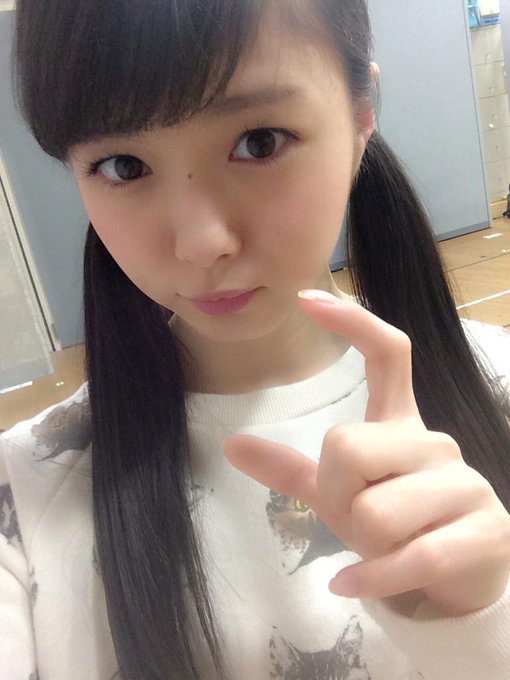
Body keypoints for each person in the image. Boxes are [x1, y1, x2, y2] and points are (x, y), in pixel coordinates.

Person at [1, 1, 510, 678]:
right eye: (123, 165)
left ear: (361, 115)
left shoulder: (498, 383)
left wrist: (483, 622)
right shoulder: (26, 490)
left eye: (260, 142)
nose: (201, 243)